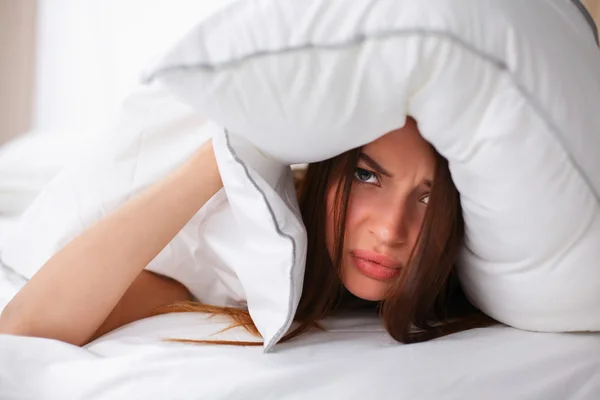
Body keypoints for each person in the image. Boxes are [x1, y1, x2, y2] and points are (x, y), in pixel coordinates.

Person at [0, 117, 494, 347]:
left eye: (429, 197)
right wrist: (228, 151)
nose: (390, 231)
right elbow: (22, 329)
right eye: (366, 176)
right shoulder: (246, 246)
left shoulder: (476, 281)